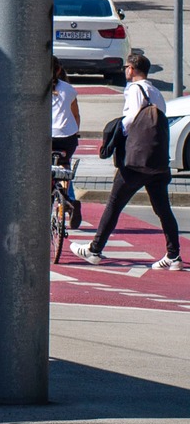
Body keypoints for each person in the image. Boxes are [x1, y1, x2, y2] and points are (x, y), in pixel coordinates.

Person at [76, 53, 182, 269]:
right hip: (157, 160)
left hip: (136, 162)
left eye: (126, 67)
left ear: (132, 69)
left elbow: (132, 119)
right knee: (163, 209)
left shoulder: (134, 89)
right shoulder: (155, 92)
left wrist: (117, 132)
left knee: (114, 204)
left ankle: (95, 249)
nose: (125, 70)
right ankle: (173, 256)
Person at [50, 60, 80, 170]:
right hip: (67, 138)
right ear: (58, 70)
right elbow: (76, 115)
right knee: (65, 163)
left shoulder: (35, 87)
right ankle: (65, 182)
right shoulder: (68, 89)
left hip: (45, 137)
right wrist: (76, 132)